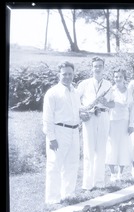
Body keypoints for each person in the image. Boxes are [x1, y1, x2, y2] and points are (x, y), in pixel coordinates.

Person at [42, 61, 82, 204]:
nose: (67, 77)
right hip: (59, 131)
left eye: (70, 74)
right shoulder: (52, 93)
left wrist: (83, 115)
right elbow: (47, 118)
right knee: (55, 165)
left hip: (74, 131)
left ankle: (68, 194)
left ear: (73, 74)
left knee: (72, 164)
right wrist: (51, 138)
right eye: (64, 74)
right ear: (59, 74)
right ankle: (53, 198)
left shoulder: (75, 92)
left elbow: (77, 112)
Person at [76, 56, 114, 191]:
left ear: (103, 68)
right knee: (88, 150)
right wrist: (81, 113)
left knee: (101, 150)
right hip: (89, 117)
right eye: (95, 66)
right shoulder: (84, 84)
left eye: (100, 66)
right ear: (91, 68)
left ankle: (99, 182)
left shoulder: (108, 84)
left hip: (103, 116)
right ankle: (87, 184)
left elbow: (113, 104)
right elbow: (75, 101)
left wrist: (105, 102)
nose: (97, 68)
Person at [105, 68, 134, 183]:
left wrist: (131, 124)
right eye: (116, 77)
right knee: (111, 146)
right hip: (112, 121)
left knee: (123, 146)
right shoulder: (110, 90)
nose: (118, 79)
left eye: (120, 77)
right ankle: (112, 173)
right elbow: (106, 107)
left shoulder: (128, 91)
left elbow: (131, 109)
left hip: (124, 122)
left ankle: (120, 173)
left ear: (124, 78)